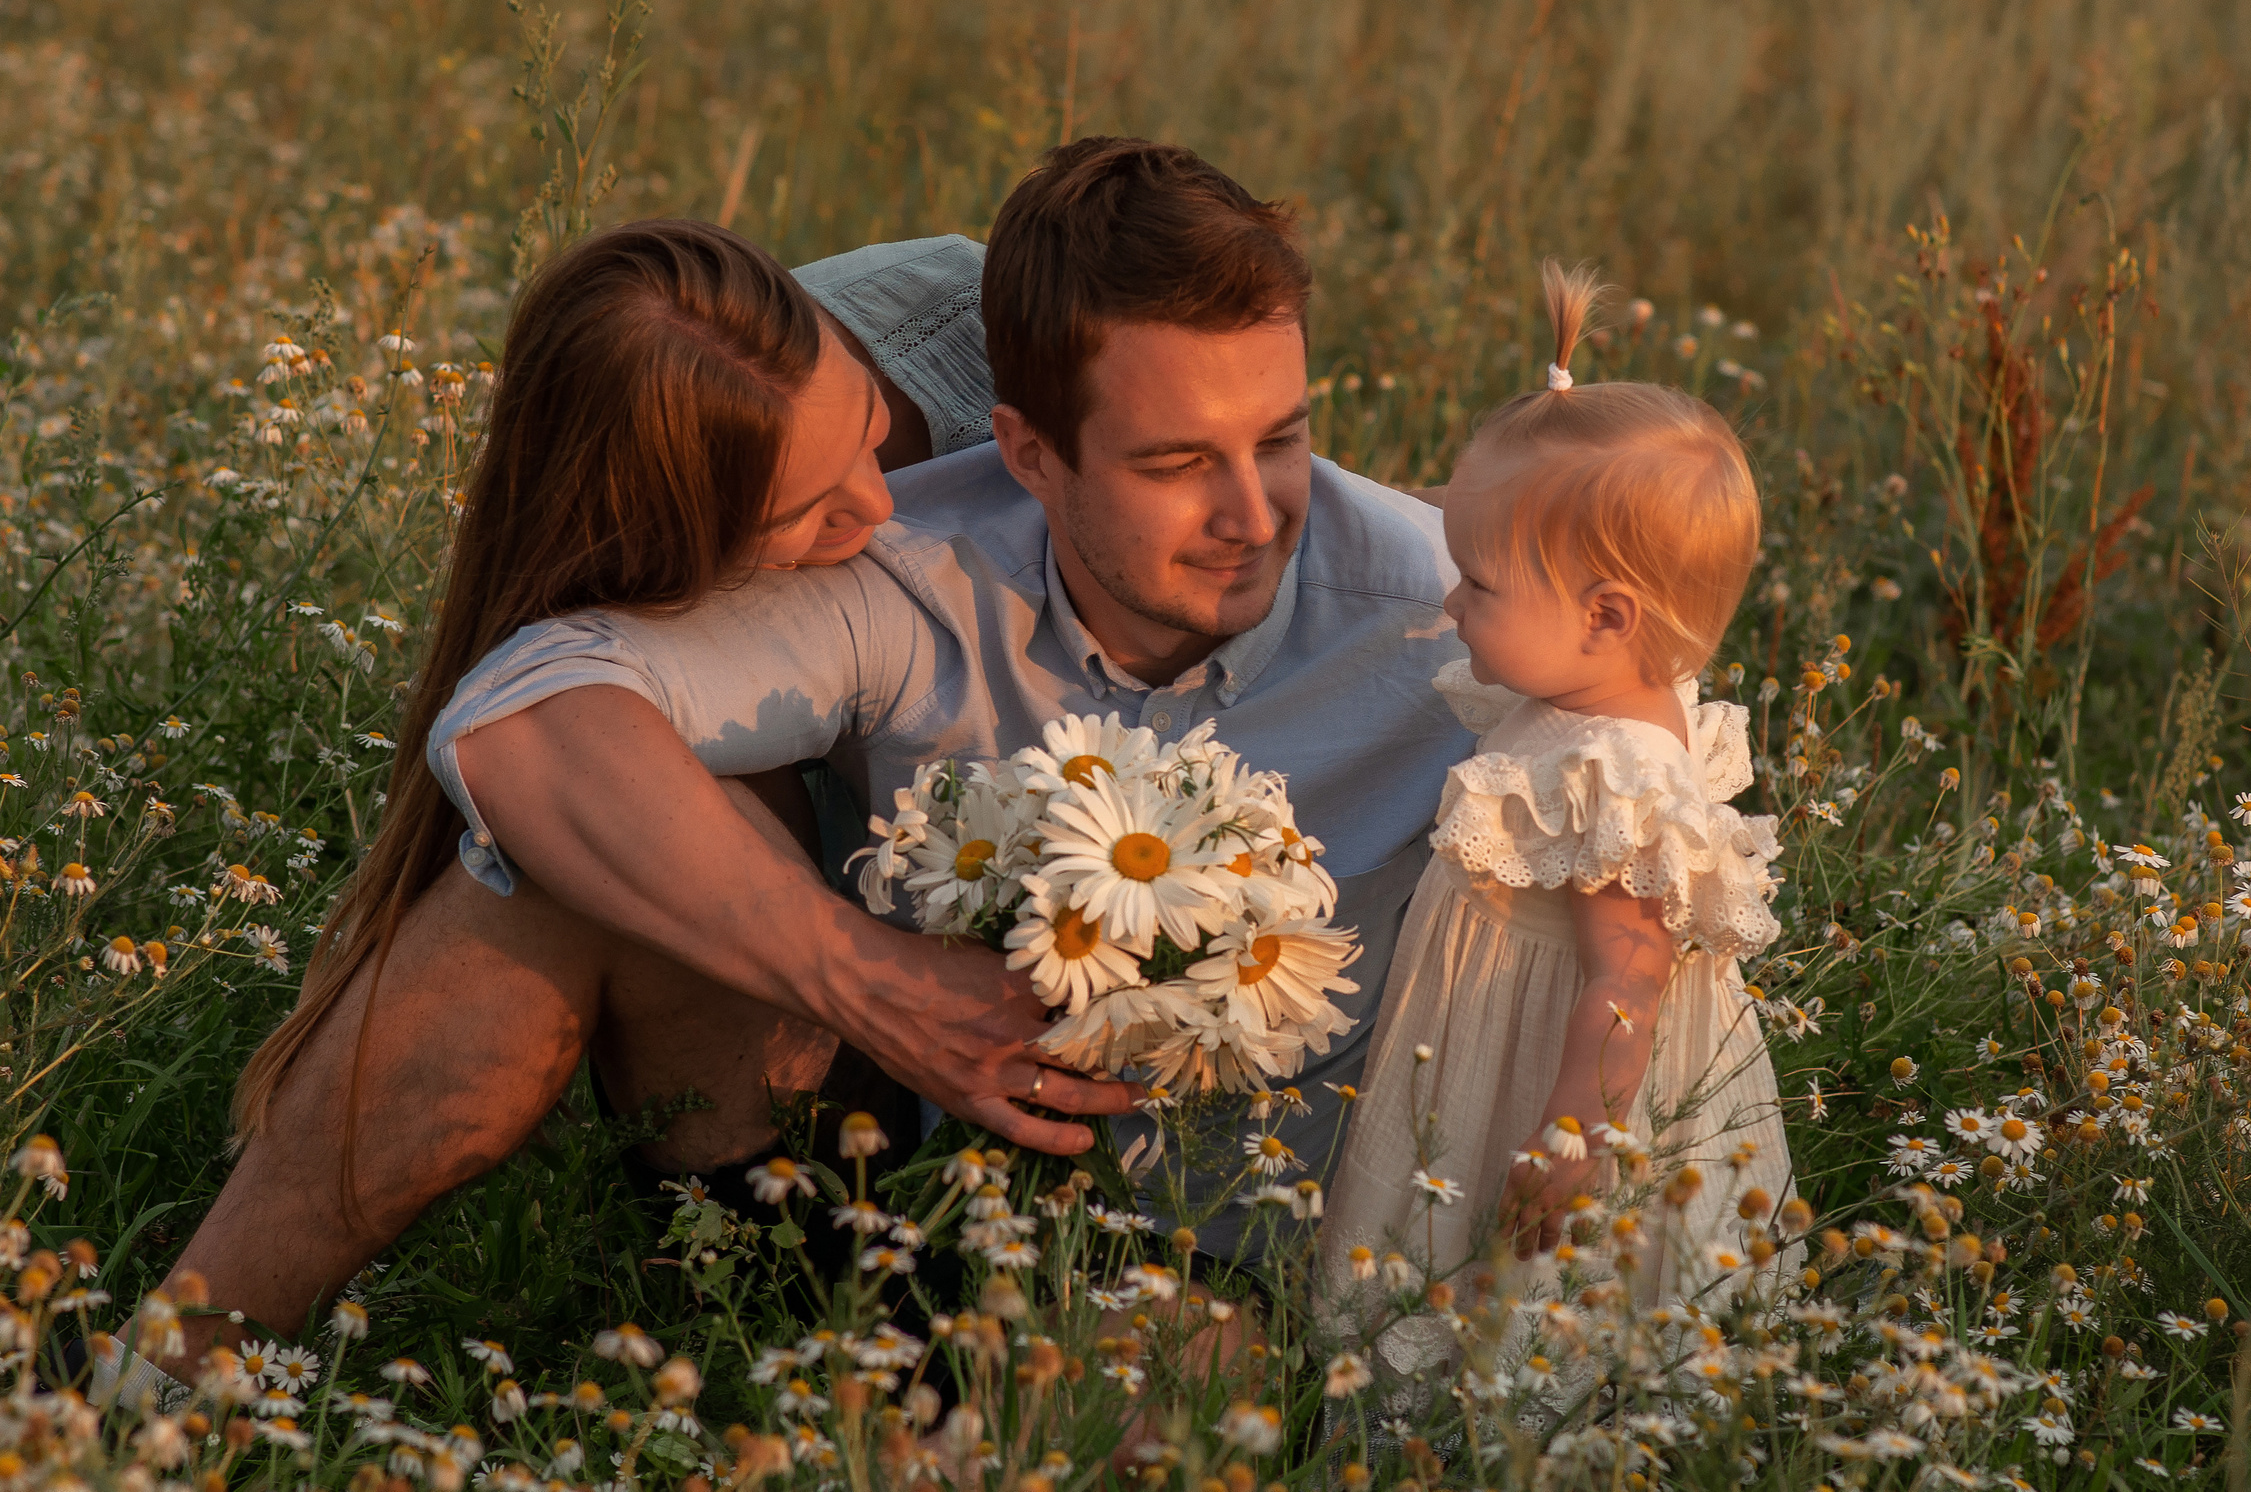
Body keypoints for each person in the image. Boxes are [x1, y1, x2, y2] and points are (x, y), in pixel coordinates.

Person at [98, 217, 1130, 1405]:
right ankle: (153, 1387)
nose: (878, 513)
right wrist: (872, 981)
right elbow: (535, 729)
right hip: (832, 1126)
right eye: (804, 521)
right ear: (659, 555)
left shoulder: (961, 326)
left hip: (1143, 1114)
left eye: (869, 438)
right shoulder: (626, 582)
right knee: (585, 842)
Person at [427, 138, 1479, 1256]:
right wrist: (869, 977)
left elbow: (1651, 832)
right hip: (933, 1221)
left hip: (1284, 1264)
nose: (1256, 516)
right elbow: (525, 708)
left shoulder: (1443, 625)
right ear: (1027, 451)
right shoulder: (915, 575)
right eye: (1174, 465)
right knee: (555, 864)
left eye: (1279, 441)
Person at [1320, 260, 1792, 1389]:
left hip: (1540, 1072)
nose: (1448, 603)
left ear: (1604, 616)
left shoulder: (1611, 771)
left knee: (1523, 1285)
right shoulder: (1599, 691)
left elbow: (1627, 976)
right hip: (1518, 1035)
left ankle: (1495, 1415)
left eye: (1477, 583)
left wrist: (1572, 1127)